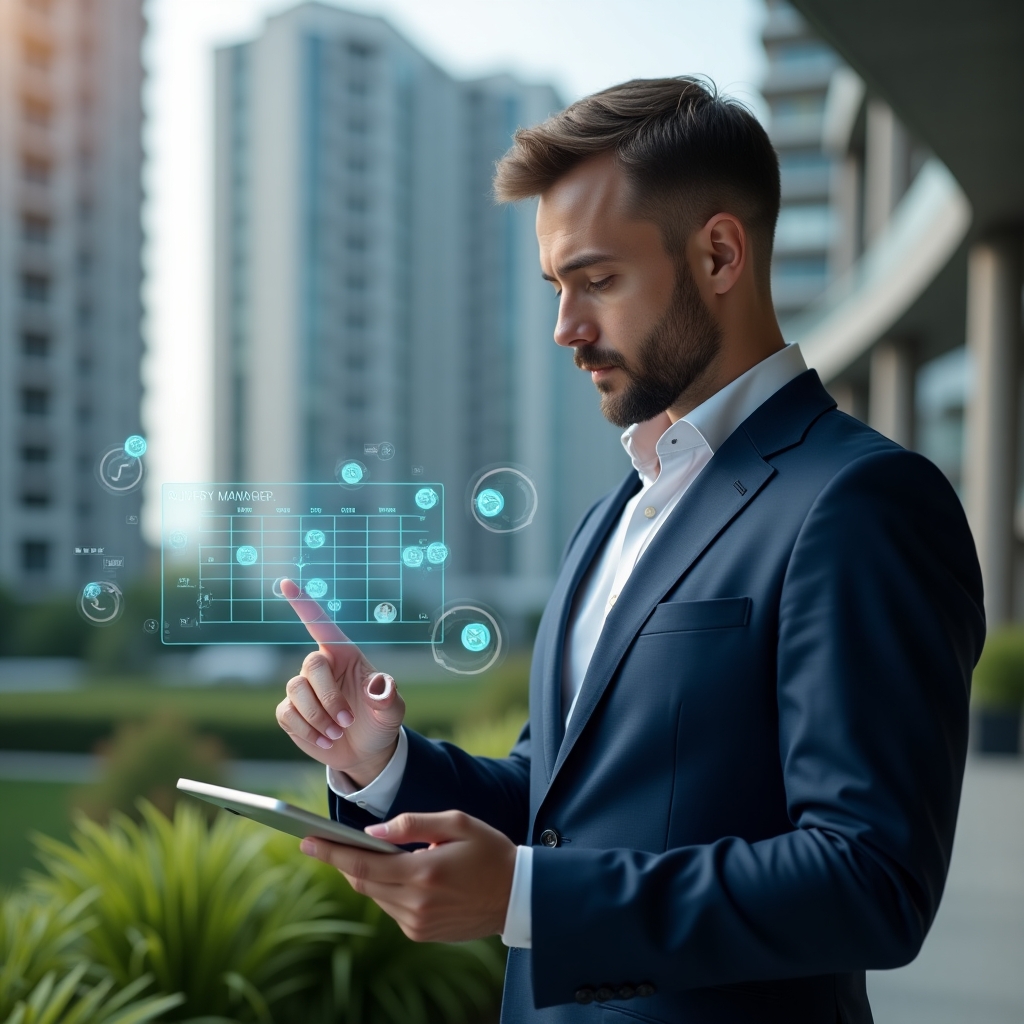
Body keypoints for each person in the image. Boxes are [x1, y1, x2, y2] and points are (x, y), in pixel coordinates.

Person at [275, 78, 984, 1023]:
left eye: (598, 279)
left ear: (720, 253)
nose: (566, 326)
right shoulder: (614, 516)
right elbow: (557, 799)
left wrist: (528, 900)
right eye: (556, 286)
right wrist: (383, 765)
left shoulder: (862, 502)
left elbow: (870, 879)